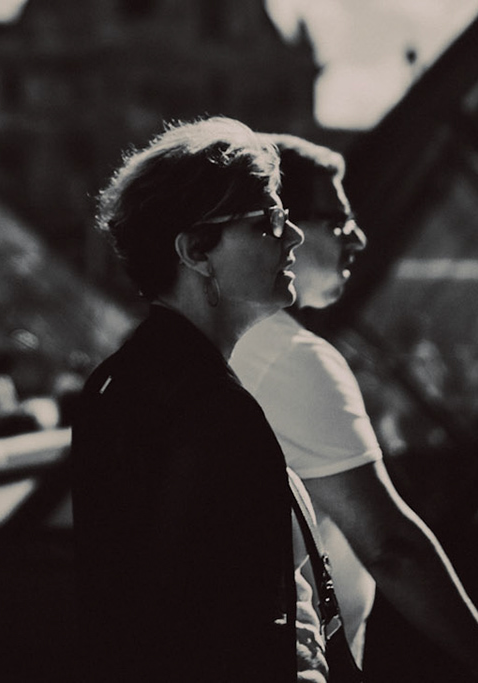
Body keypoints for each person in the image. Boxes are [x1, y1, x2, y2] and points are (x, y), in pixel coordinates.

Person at [233, 136, 478, 682]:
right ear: (282, 226)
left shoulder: (217, 350)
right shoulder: (293, 358)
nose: (359, 240)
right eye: (339, 222)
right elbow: (391, 547)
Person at [74, 117, 338, 683]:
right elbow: (202, 625)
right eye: (268, 219)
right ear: (196, 249)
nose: (292, 236)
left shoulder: (124, 381)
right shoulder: (208, 409)